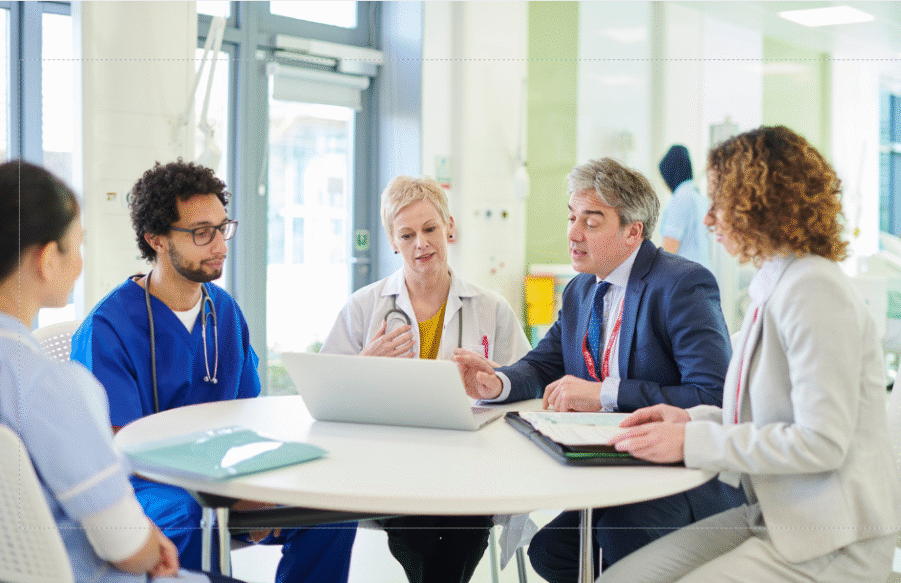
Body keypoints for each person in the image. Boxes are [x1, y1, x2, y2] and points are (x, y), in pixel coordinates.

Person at [600, 126, 901, 583]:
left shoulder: (814, 288)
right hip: (779, 515)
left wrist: (692, 443)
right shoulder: (777, 282)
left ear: (761, 202)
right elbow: (771, 419)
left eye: (720, 201)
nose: (707, 219)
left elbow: (820, 441)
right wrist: (693, 421)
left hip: (834, 538)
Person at [454, 157, 745, 583]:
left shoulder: (681, 284)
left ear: (633, 231)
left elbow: (711, 394)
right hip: (605, 465)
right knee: (550, 553)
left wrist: (606, 393)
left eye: (591, 222)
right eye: (572, 217)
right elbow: (543, 363)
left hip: (674, 476)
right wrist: (495, 381)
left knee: (616, 536)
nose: (573, 233)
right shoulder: (580, 290)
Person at [70, 160, 356, 582]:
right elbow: (118, 451)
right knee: (191, 518)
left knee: (331, 508)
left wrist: (251, 487)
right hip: (149, 486)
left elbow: (248, 413)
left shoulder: (223, 312)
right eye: (201, 232)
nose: (220, 244)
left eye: (223, 228)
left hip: (227, 475)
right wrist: (222, 494)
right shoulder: (108, 328)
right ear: (156, 239)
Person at [0, 161, 246, 583]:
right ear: (48, 259)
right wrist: (152, 547)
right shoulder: (51, 385)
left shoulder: (224, 311)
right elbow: (123, 546)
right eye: (77, 245)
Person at [321, 175, 533, 583]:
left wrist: (496, 382)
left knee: (464, 532)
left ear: (449, 227)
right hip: (394, 465)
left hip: (470, 463)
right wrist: (365, 363)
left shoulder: (491, 307)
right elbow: (326, 396)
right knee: (417, 536)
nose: (422, 243)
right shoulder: (365, 307)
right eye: (408, 234)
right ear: (392, 241)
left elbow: (527, 382)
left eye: (430, 228)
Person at [658, 145, 710, 269]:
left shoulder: (680, 199)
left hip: (686, 278)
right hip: (703, 275)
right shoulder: (699, 197)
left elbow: (669, 250)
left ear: (669, 175)